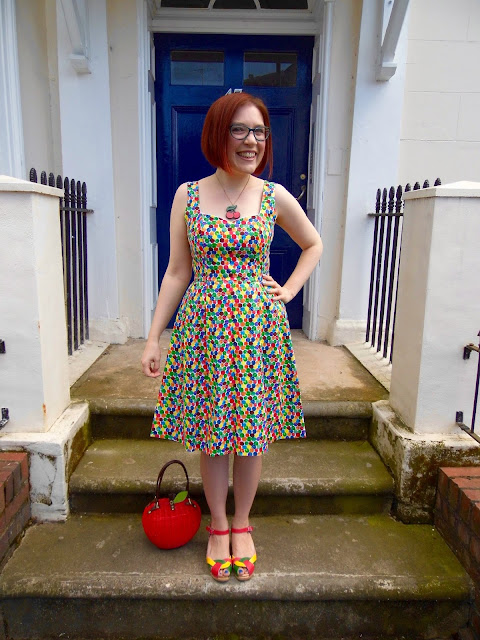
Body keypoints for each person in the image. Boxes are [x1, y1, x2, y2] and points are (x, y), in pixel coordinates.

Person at [141, 92, 323, 583]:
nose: (251, 141)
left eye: (259, 131)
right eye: (240, 130)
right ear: (218, 135)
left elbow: (313, 244)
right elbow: (177, 271)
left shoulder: (272, 195)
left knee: (251, 435)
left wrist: (288, 290)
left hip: (257, 333)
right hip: (204, 331)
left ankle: (242, 523)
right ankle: (218, 525)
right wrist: (154, 338)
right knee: (213, 434)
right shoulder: (188, 195)